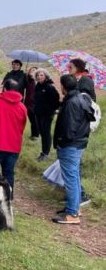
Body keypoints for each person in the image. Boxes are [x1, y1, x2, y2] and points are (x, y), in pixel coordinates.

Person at [51, 74, 95, 225]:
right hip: (79, 144)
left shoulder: (71, 103)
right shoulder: (83, 98)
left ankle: (72, 214)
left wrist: (62, 142)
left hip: (70, 145)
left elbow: (69, 129)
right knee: (74, 177)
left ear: (63, 86)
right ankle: (74, 208)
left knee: (70, 179)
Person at [67, 58, 96, 205]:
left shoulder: (85, 81)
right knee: (73, 162)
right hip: (76, 125)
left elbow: (83, 103)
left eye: (70, 66)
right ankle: (75, 194)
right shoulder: (77, 79)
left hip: (80, 127)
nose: (68, 68)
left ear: (78, 67)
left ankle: (81, 195)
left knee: (75, 161)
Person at [33, 68, 60, 162]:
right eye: (37, 75)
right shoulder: (37, 86)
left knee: (46, 133)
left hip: (47, 114)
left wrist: (51, 110)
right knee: (41, 133)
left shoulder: (49, 87)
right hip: (38, 113)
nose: (39, 77)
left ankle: (46, 153)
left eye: (41, 75)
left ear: (46, 76)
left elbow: (56, 100)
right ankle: (43, 152)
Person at [24, 66, 39, 140]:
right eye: (31, 70)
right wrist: (26, 74)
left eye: (34, 70)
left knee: (34, 119)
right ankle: (34, 134)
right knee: (31, 119)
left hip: (35, 103)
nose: (32, 71)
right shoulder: (27, 80)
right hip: (27, 103)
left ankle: (35, 135)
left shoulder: (38, 81)